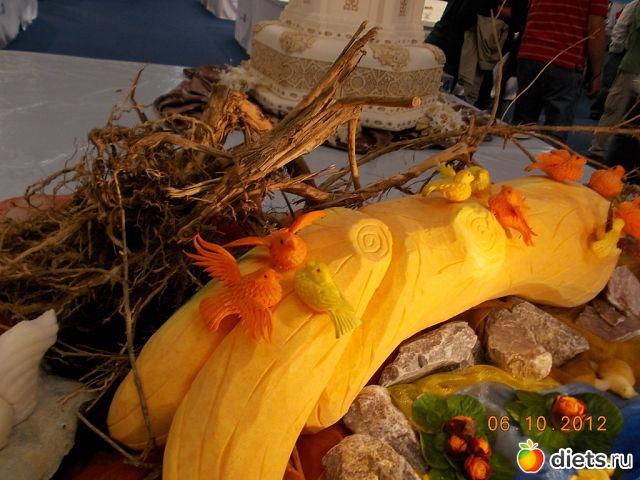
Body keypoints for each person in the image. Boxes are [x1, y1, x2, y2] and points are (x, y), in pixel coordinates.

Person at [511, 0, 608, 143]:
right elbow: (595, 30)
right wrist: (596, 74)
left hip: (530, 54)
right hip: (564, 61)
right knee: (555, 135)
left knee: (520, 129)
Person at [589, 0, 640, 159]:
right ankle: (598, 152)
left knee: (617, 112)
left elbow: (620, 31)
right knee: (615, 110)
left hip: (630, 67)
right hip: (631, 69)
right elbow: (620, 31)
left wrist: (617, 50)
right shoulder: (636, 5)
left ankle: (599, 151)